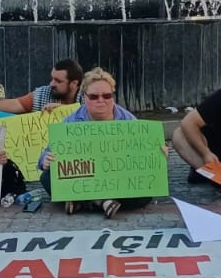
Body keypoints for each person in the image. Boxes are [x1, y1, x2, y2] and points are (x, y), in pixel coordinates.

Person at [38, 68, 164, 218]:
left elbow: (145, 154)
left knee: (145, 195)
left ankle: (83, 202)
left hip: (116, 179)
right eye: (93, 97)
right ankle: (102, 202)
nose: (101, 100)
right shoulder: (71, 121)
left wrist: (158, 153)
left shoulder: (128, 120)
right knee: (46, 178)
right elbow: (46, 154)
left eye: (107, 96)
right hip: (84, 178)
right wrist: (45, 160)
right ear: (84, 97)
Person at [0, 60, 84, 114]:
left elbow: (91, 115)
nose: (51, 84)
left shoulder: (89, 95)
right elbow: (15, 104)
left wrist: (63, 110)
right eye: (52, 78)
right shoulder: (44, 95)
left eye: (58, 81)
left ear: (74, 84)